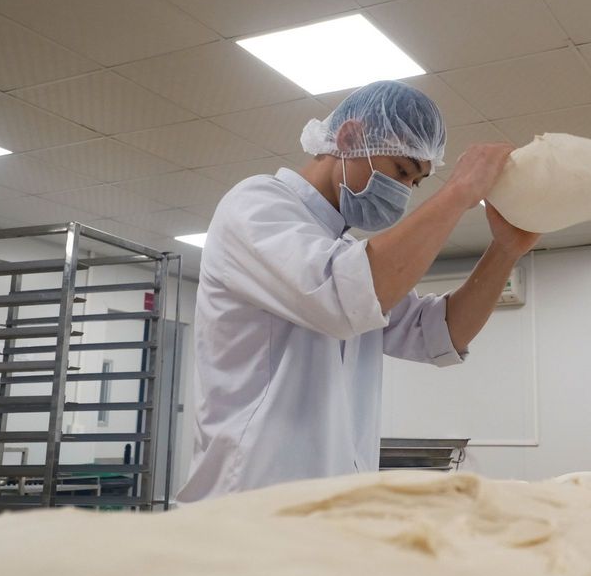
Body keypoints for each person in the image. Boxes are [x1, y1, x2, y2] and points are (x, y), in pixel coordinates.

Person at [177, 80, 539, 500]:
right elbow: (344, 296)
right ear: (349, 139)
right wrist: (458, 193)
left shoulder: (344, 253)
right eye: (401, 171)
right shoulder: (256, 205)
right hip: (249, 501)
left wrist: (505, 250)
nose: (403, 192)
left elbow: (438, 333)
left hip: (330, 502)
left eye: (415, 182)